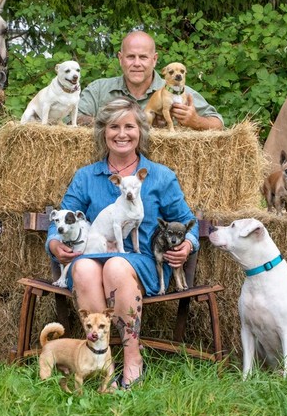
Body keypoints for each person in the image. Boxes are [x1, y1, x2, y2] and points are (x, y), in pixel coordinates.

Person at [47, 97, 200, 389]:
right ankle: (103, 364)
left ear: (140, 131)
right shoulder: (86, 176)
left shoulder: (159, 176)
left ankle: (132, 359)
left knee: (116, 266)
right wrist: (55, 244)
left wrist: (188, 245)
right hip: (94, 256)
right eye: (113, 126)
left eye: (129, 126)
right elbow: (60, 221)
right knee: (84, 269)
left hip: (142, 262)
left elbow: (186, 220)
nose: (121, 133)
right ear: (103, 131)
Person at [77, 31, 224, 130]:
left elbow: (218, 123)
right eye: (130, 57)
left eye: (143, 57)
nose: (136, 63)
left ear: (154, 60)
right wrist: (117, 123)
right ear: (120, 59)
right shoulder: (98, 89)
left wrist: (196, 121)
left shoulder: (179, 91)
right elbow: (72, 119)